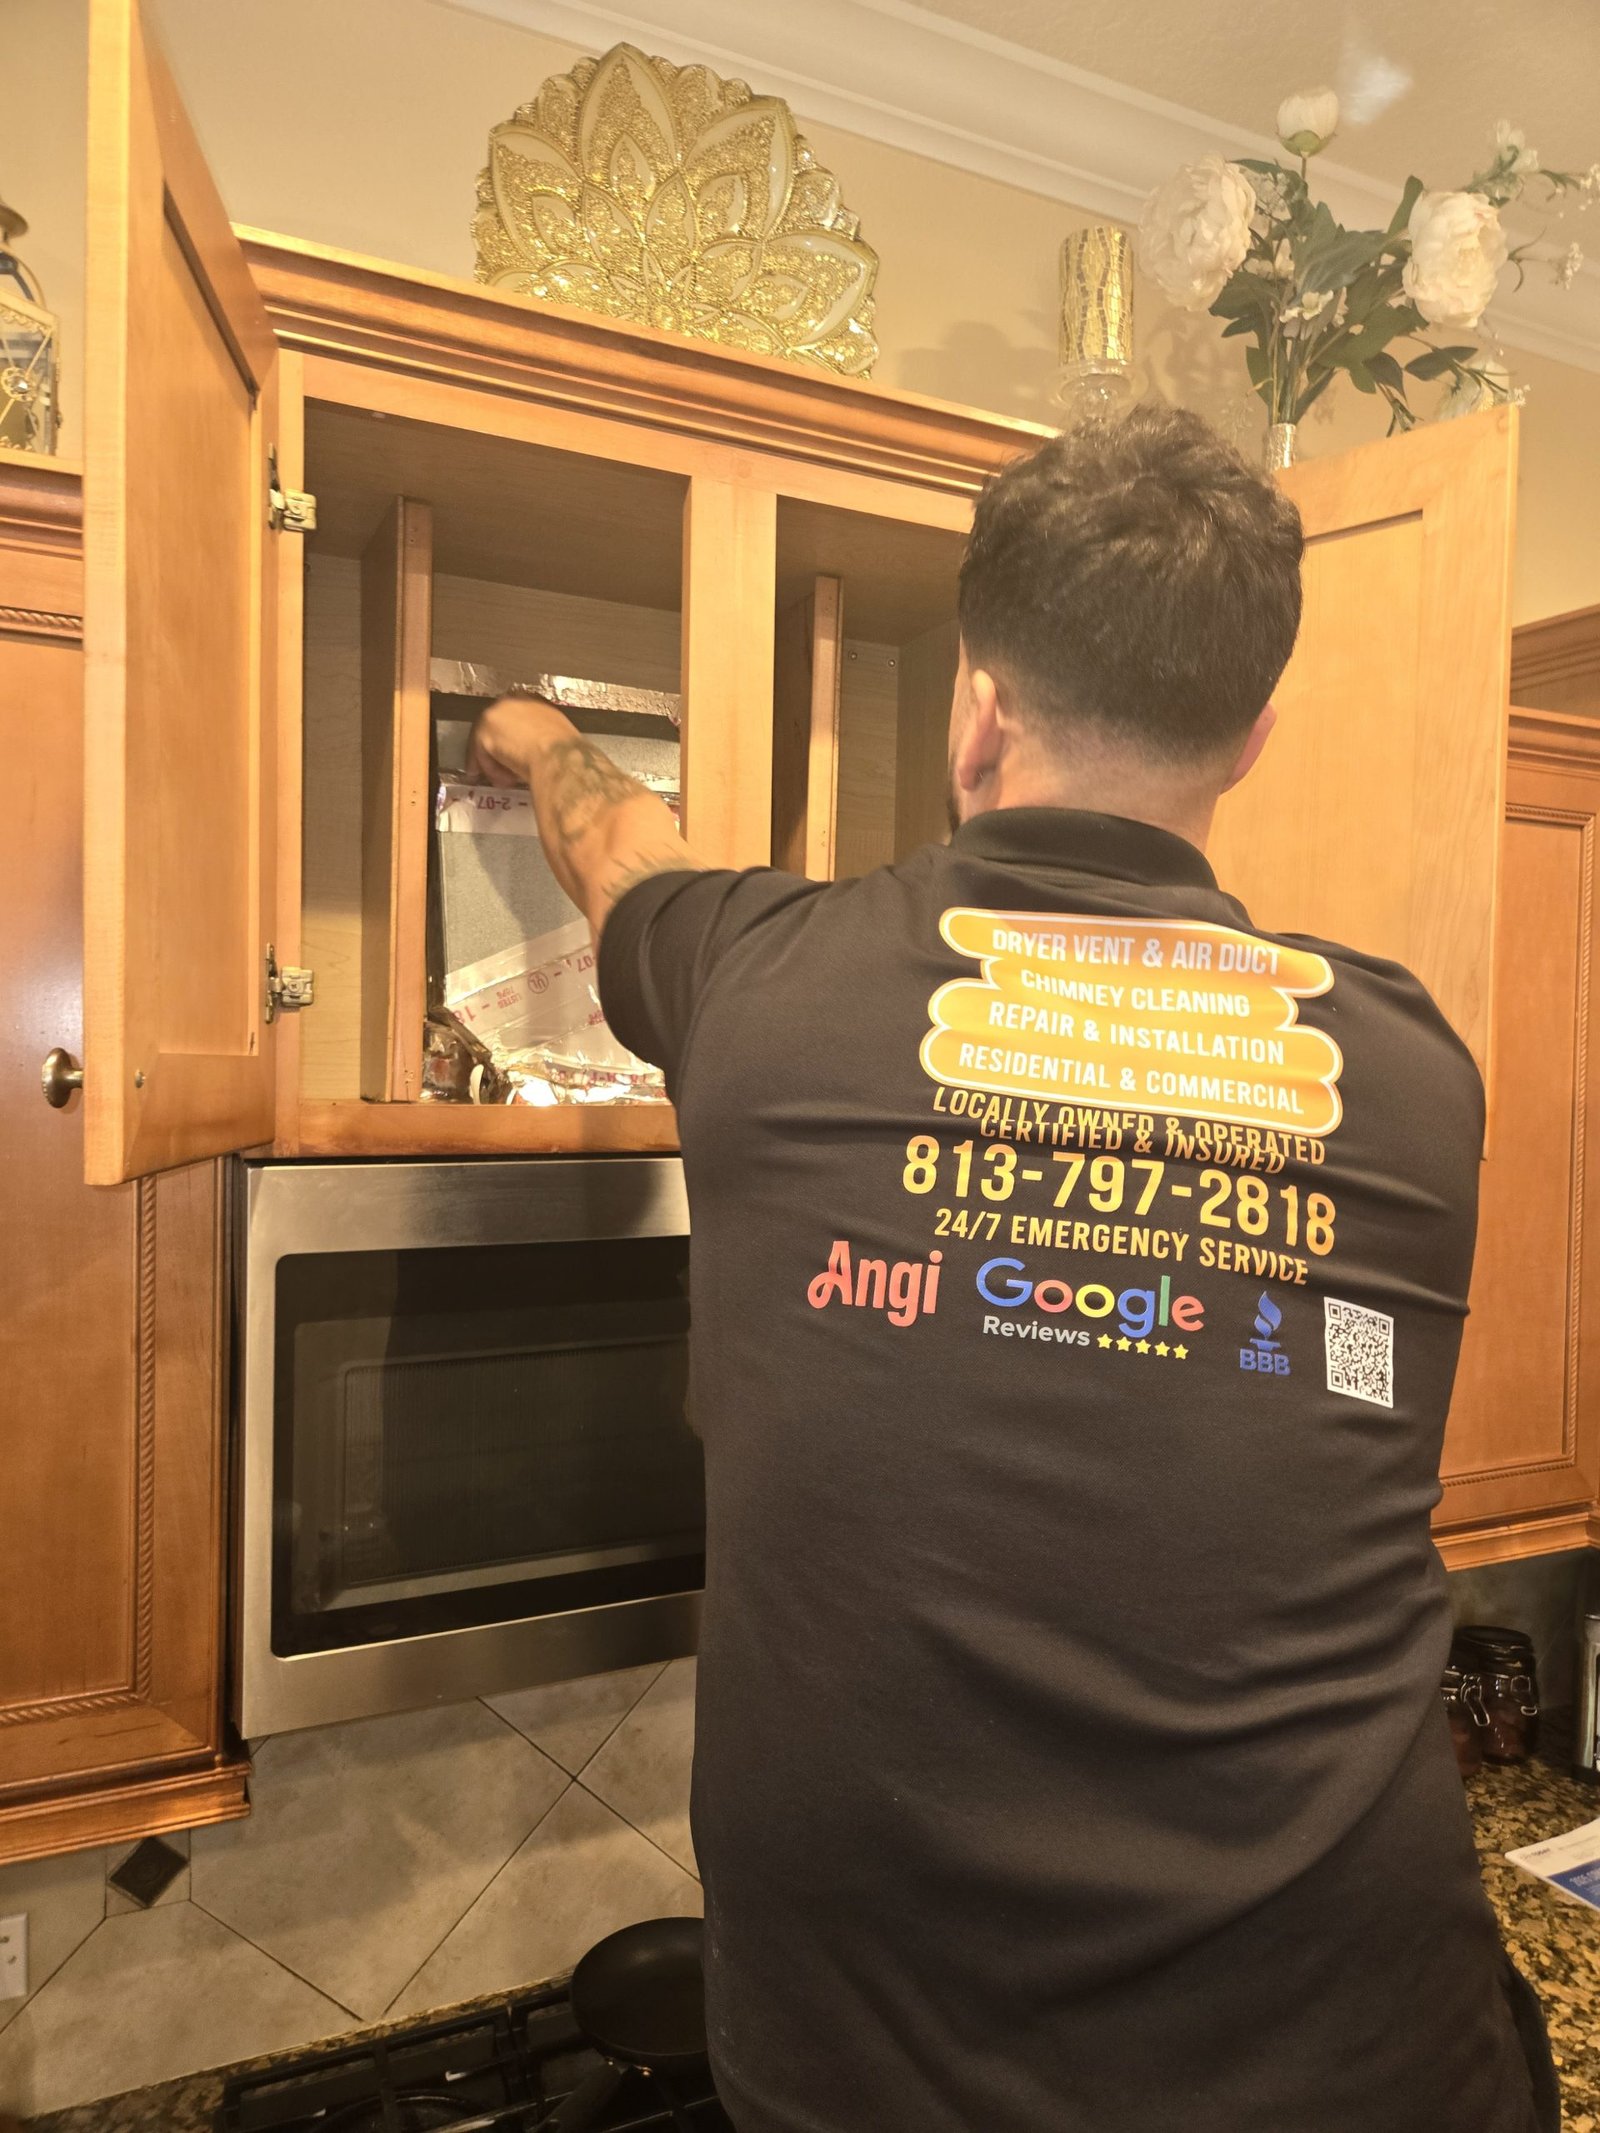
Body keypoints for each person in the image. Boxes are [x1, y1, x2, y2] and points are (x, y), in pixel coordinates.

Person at [469, 404, 1558, 2133]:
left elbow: (618, 847)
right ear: (1251, 736)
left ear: (979, 704)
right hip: (1375, 2060)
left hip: (886, 2082)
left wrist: (532, 732)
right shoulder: (1415, 1072)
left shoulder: (759, 978)